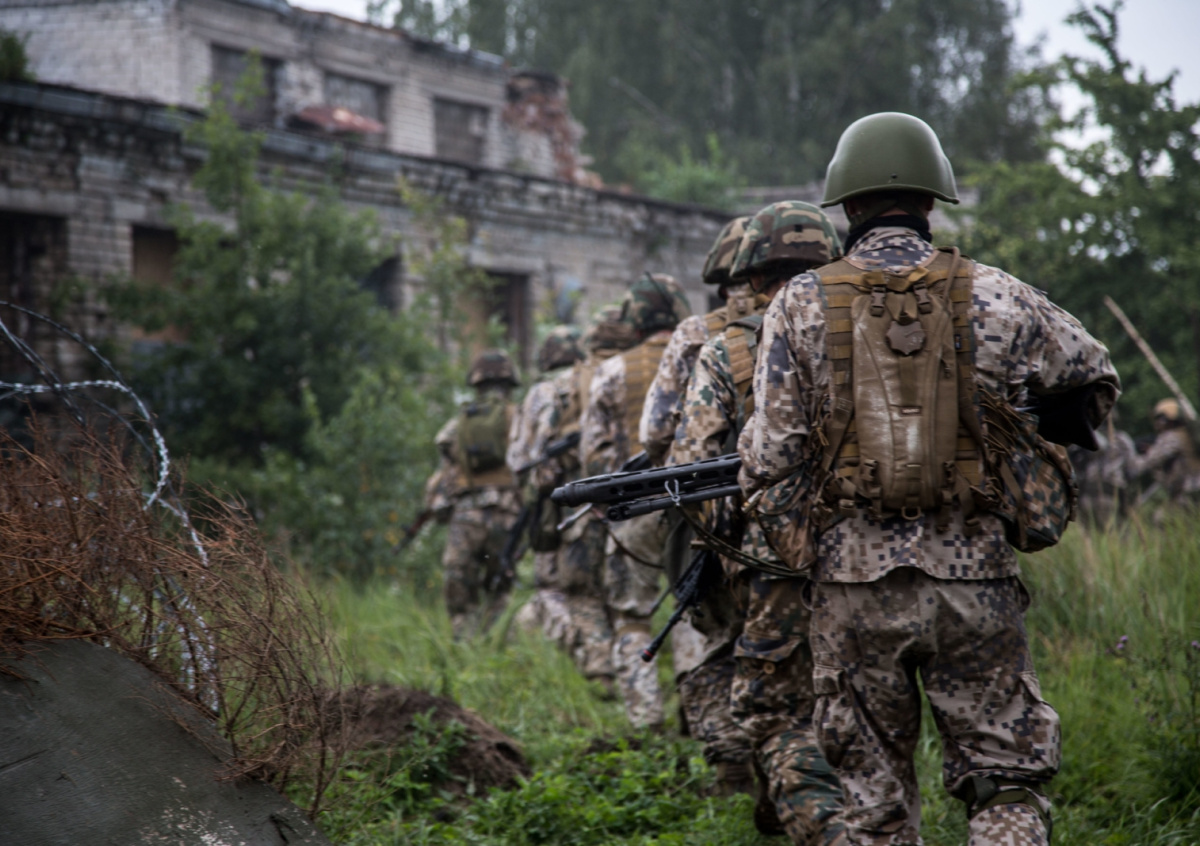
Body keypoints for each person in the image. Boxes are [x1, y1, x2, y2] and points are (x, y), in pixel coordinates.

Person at [738, 112, 1120, 845]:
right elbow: (1093, 379)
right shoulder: (998, 292)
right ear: (931, 200)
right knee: (1005, 779)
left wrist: (807, 553)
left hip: (851, 587)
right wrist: (1021, 428)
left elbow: (770, 457)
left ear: (848, 204)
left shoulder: (799, 302)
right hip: (975, 580)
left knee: (873, 807)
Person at [676, 201, 847, 844]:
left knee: (776, 711)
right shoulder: (867, 326)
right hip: (880, 553)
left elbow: (692, 468)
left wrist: (728, 546)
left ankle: (823, 824)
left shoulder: (729, 349)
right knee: (867, 706)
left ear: (750, 274)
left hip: (773, 562)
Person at [580, 273, 692, 729]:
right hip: (695, 505)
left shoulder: (612, 371)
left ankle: (647, 721)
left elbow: (594, 455)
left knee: (630, 616)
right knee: (694, 604)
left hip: (635, 510)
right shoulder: (703, 357)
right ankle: (699, 707)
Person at [516, 313, 633, 692]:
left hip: (578, 507)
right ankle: (636, 675)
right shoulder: (619, 373)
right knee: (626, 596)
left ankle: (601, 675)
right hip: (634, 499)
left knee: (581, 592)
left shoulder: (547, 391)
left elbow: (522, 458)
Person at [431, 349, 523, 639]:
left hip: (466, 516)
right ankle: (497, 645)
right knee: (501, 590)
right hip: (507, 516)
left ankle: (464, 645)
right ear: (510, 383)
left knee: (460, 594)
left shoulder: (461, 421)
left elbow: (444, 462)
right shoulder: (519, 417)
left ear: (476, 384)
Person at [1129, 398, 1200, 511]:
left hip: (1188, 490)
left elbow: (1150, 461)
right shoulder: (1186, 436)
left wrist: (1129, 462)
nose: (1157, 423)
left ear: (1167, 420)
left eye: (1160, 418)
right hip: (1192, 488)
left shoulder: (1171, 437)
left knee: (1159, 517)